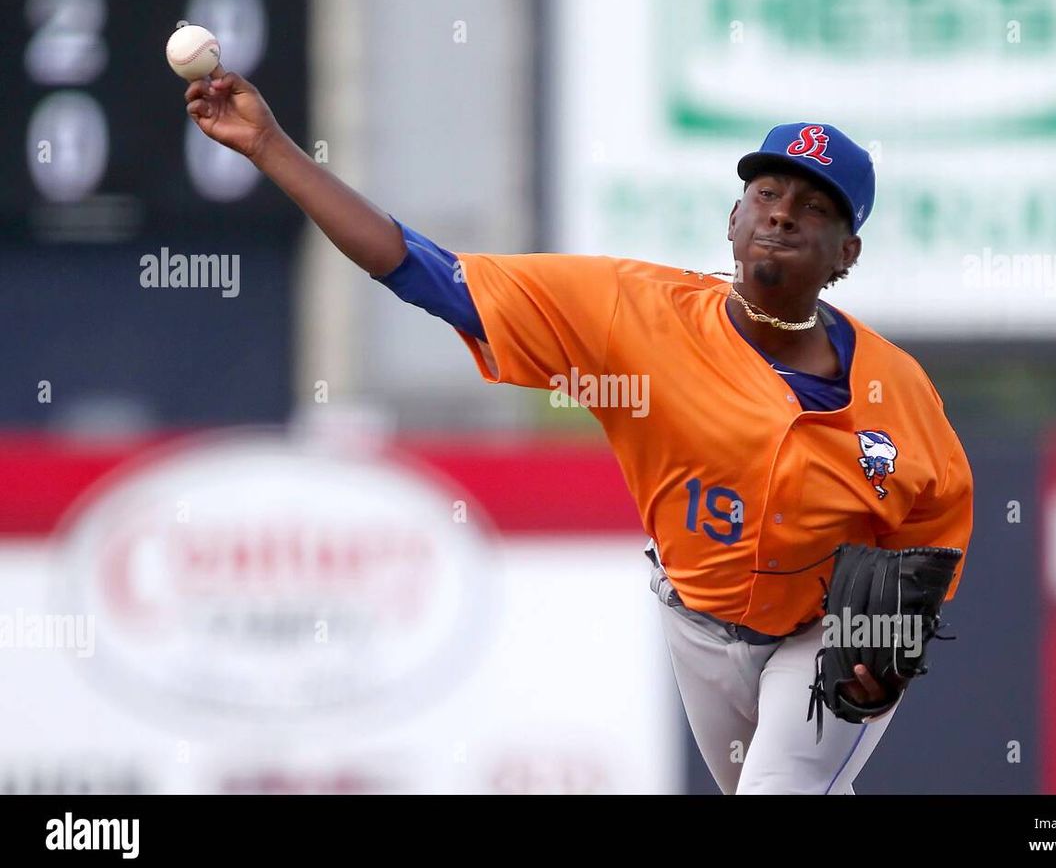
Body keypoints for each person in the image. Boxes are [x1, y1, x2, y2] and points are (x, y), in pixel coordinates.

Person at [184, 67, 974, 795]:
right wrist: (269, 146)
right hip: (695, 622)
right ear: (733, 216)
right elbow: (423, 270)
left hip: (816, 638)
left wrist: (883, 638)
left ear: (848, 252)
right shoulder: (629, 313)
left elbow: (937, 521)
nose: (781, 213)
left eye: (815, 207)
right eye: (767, 192)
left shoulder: (895, 392)